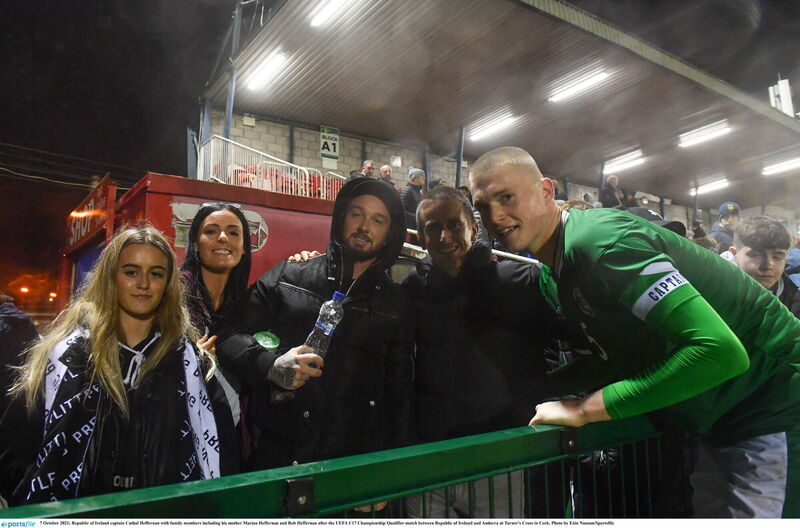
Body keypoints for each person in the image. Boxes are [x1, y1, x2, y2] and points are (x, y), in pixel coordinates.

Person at [469, 146, 800, 518]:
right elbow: (611, 358)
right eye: (482, 206)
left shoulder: (603, 245)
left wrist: (584, 409)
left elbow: (720, 350)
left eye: (507, 197)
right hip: (721, 417)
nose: (495, 216)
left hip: (775, 405)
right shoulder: (554, 272)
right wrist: (528, 395)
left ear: (546, 191)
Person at [0, 226, 239, 505]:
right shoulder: (65, 357)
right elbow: (14, 452)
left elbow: (225, 455)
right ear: (111, 277)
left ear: (168, 284)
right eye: (131, 271)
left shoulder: (192, 365)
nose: (143, 284)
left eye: (156, 274)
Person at [214, 178, 414, 485]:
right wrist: (271, 365)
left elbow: (398, 394)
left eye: (378, 220)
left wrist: (388, 473)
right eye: (356, 214)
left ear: (390, 233)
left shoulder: (396, 303)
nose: (364, 226)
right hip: (278, 461)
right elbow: (228, 332)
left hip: (350, 472)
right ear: (341, 217)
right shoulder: (289, 275)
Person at [401, 185, 554, 517]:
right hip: (430, 455)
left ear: (473, 226)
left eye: (453, 224)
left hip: (497, 456)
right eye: (432, 228)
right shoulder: (411, 291)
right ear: (421, 237)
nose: (444, 236)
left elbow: (561, 346)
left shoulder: (519, 281)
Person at [727, 215, 799, 317]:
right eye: (756, 255)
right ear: (734, 253)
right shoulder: (712, 292)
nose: (768, 265)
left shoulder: (793, 299)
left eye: (777, 257)